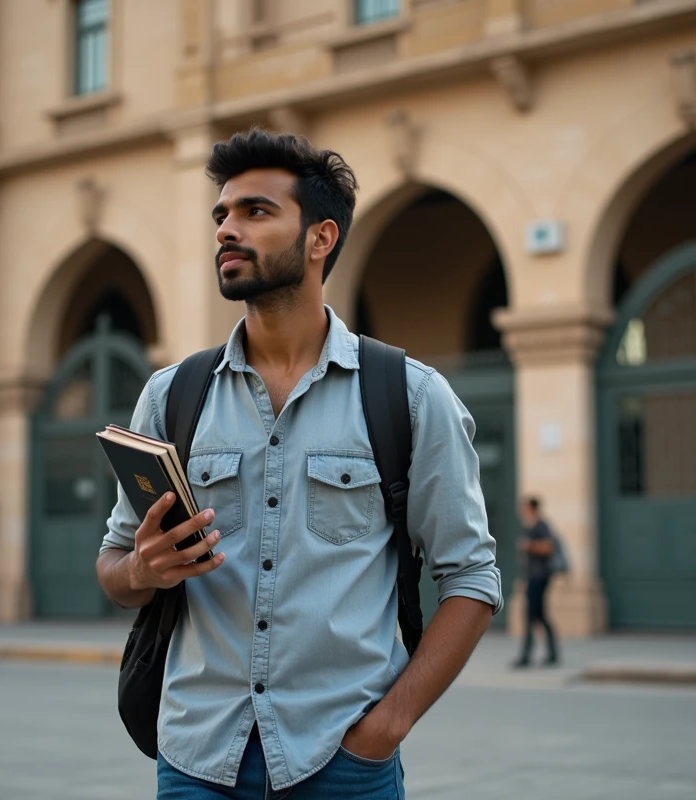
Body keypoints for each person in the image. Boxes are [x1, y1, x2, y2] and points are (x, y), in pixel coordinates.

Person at [95, 128, 503, 799]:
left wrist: (386, 728)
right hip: (197, 759)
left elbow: (472, 577)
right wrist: (142, 569)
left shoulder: (408, 395)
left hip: (341, 762)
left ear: (321, 238)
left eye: (255, 211)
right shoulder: (173, 396)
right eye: (222, 214)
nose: (227, 229)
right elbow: (114, 564)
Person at [512, 497, 561, 668]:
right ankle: (552, 653)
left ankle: (526, 654)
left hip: (540, 577)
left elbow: (548, 547)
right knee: (539, 615)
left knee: (531, 615)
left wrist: (529, 545)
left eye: (525, 507)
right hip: (531, 576)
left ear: (532, 508)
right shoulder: (528, 526)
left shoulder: (541, 526)